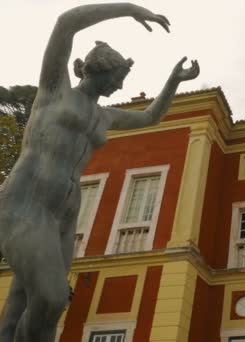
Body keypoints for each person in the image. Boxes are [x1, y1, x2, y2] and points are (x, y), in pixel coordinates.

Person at [0, 3, 199, 341]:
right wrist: (132, 9)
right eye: (117, 78)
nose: (119, 88)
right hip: (25, 202)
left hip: (64, 212)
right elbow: (66, 23)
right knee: (51, 298)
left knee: (27, 304)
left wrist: (173, 82)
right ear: (97, 70)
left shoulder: (104, 115)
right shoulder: (53, 90)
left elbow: (150, 118)